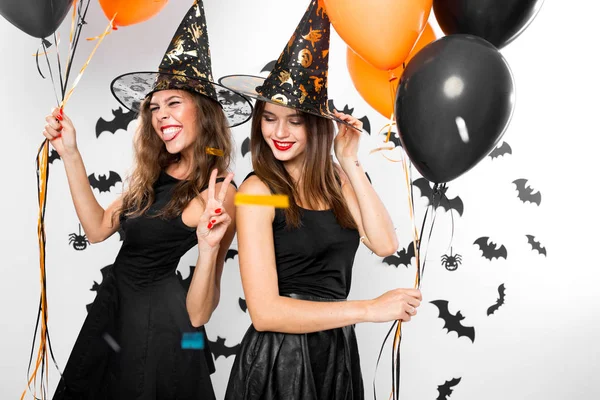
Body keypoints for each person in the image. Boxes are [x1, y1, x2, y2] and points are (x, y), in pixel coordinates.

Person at [43, 2, 253, 398]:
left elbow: (200, 313)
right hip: (114, 311)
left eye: (174, 103)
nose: (160, 115)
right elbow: (96, 228)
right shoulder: (154, 172)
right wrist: (69, 152)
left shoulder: (221, 191)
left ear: (203, 111)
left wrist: (208, 251)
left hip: (162, 329)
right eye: (154, 107)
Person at [219, 1, 422, 399]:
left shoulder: (337, 184)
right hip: (279, 360)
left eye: (295, 120)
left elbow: (384, 243)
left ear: (316, 125)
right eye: (270, 117)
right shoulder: (259, 193)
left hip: (336, 356)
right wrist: (367, 309)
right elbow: (264, 312)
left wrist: (348, 161)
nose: (280, 131)